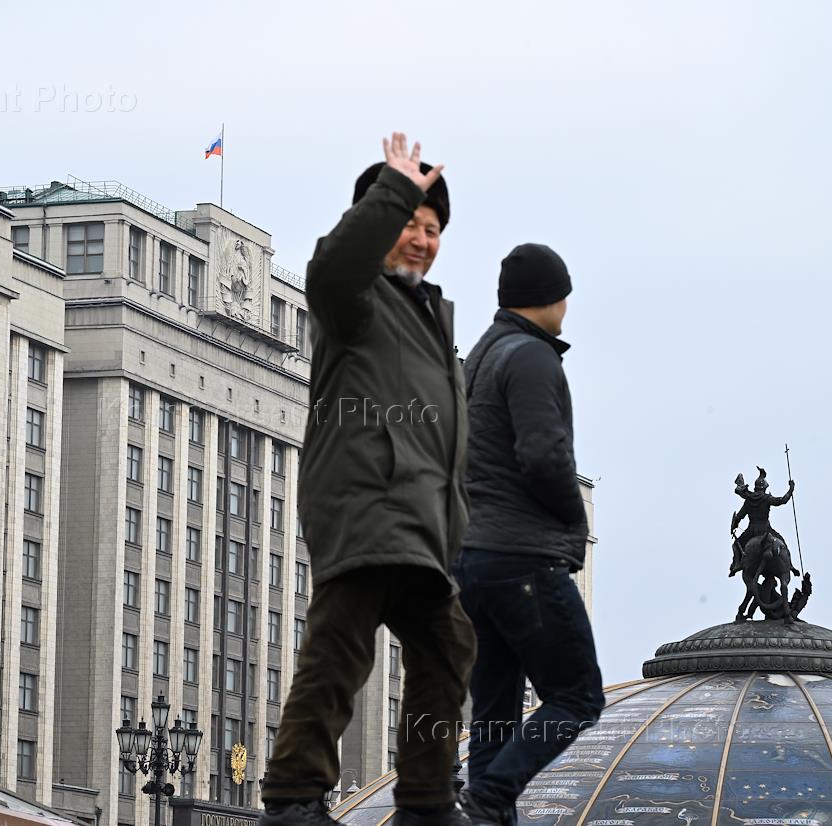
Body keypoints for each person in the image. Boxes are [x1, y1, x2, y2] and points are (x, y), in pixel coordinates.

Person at [260, 133, 476, 826]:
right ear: (380, 224)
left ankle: (426, 802)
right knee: (341, 647)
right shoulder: (355, 303)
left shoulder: (430, 322)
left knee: (448, 647)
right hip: (364, 506)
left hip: (419, 526)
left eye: (432, 230)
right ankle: (293, 796)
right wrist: (394, 189)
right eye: (409, 224)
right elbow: (331, 268)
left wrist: (456, 523)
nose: (421, 240)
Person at [453, 244, 605, 826]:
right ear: (550, 298)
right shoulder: (533, 357)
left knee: (494, 714)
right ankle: (491, 797)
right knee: (577, 694)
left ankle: (487, 809)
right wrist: (572, 519)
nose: (567, 307)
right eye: (564, 295)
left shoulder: (481, 357)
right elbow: (544, 455)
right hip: (522, 557)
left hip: (475, 562)